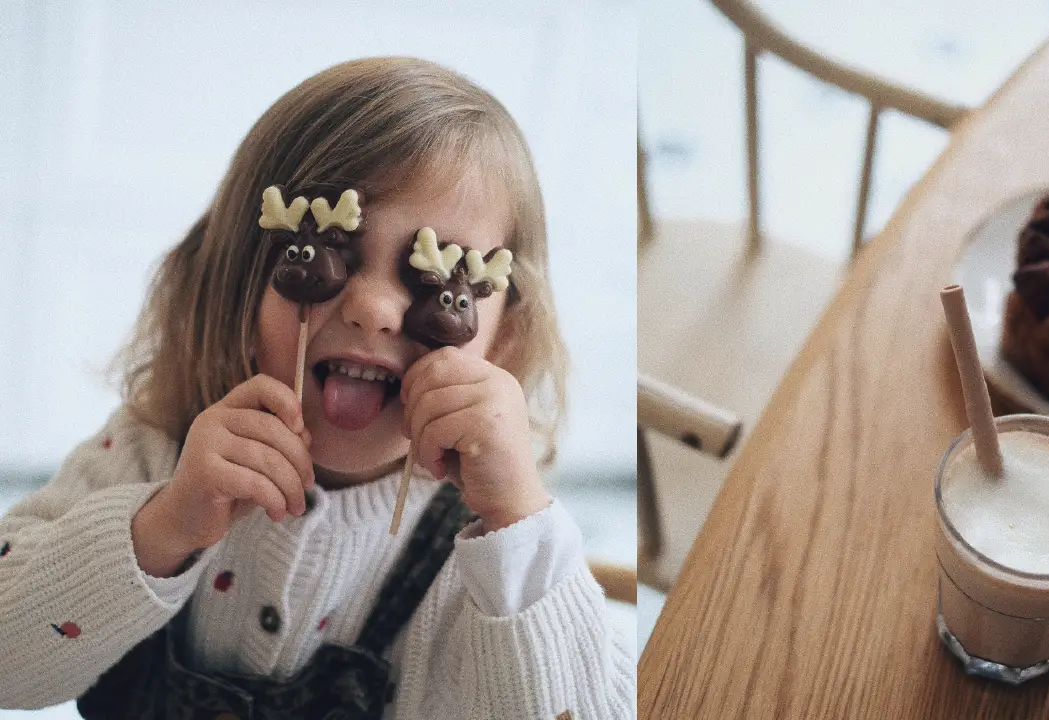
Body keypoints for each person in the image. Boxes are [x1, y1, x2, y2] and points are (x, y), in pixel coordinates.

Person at [0, 57, 635, 718]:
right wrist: (161, 530)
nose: (374, 309)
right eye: (323, 251)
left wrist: (520, 525)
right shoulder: (150, 452)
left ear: (503, 337)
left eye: (441, 279)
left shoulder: (485, 547)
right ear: (233, 284)